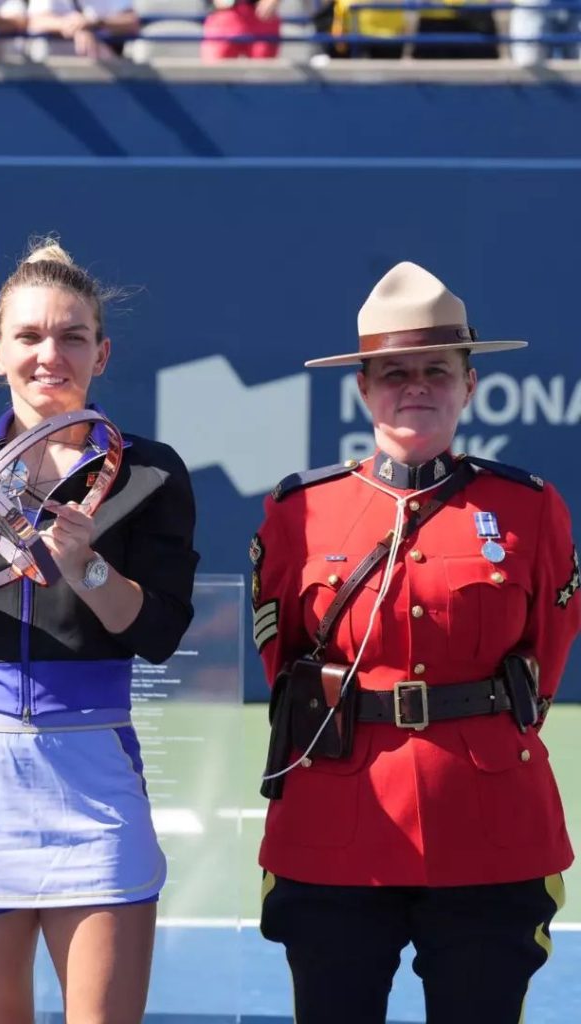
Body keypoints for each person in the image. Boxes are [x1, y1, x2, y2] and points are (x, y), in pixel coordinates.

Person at [0, 240, 198, 1024]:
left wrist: (87, 569)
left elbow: (156, 632)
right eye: (29, 337)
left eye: (72, 336)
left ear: (102, 351)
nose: (51, 354)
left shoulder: (149, 473)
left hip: (94, 765)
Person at [253, 260, 579, 1024]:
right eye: (393, 372)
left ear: (470, 385)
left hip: (488, 818)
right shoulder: (300, 511)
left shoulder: (528, 507)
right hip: (337, 818)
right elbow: (287, 663)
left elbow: (549, 654)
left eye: (437, 369)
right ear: (363, 388)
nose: (416, 387)